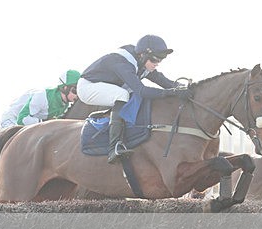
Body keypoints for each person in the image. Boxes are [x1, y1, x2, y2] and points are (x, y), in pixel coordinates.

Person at [78, 34, 189, 164]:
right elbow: (142, 91)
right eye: (154, 60)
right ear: (143, 55)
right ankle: (114, 147)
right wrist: (172, 93)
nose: (157, 64)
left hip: (106, 85)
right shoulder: (122, 62)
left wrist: (183, 88)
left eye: (160, 60)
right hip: (87, 87)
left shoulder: (141, 61)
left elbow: (163, 81)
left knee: (128, 94)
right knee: (123, 95)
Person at [0, 70, 81, 129]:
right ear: (64, 88)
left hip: (29, 124)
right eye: (75, 90)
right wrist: (46, 122)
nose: (77, 95)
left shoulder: (65, 104)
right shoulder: (42, 96)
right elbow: (22, 120)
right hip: (12, 120)